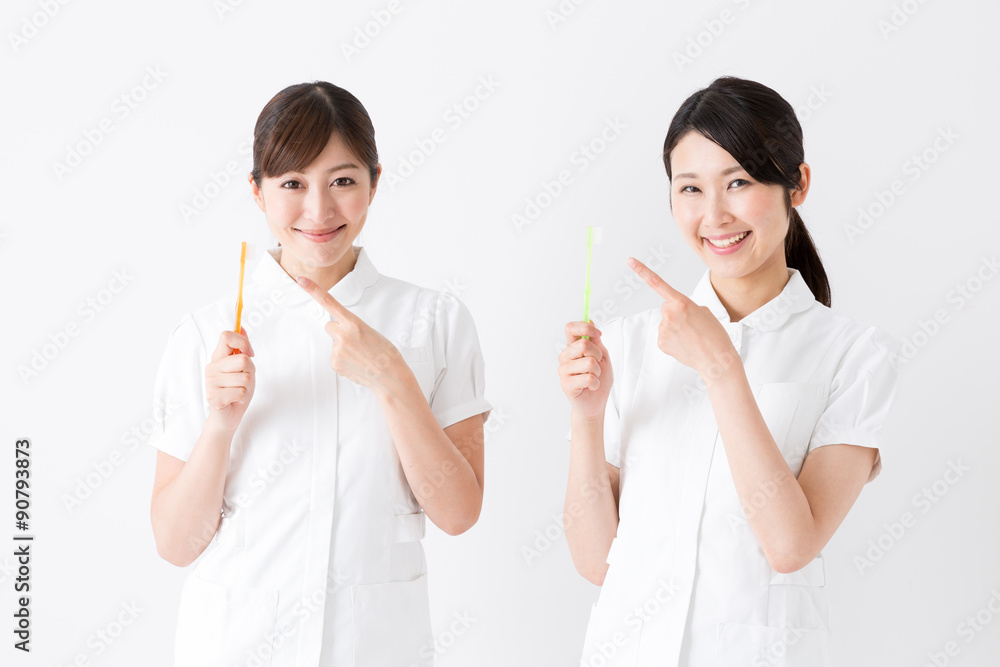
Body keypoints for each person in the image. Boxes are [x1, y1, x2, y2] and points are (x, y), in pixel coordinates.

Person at [558, 76, 901, 666]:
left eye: (738, 182)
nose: (713, 215)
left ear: (798, 184)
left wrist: (721, 367)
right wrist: (587, 418)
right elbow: (596, 562)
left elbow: (792, 545)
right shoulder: (627, 345)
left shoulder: (855, 356)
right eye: (689, 188)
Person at [148, 81, 492, 667]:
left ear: (374, 183)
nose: (318, 210)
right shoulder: (207, 337)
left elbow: (458, 513)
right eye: (292, 184)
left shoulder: (434, 321)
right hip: (235, 648)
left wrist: (392, 379)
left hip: (377, 649)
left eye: (342, 181)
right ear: (257, 192)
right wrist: (218, 426)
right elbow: (176, 544)